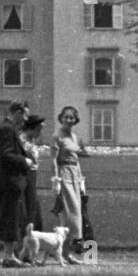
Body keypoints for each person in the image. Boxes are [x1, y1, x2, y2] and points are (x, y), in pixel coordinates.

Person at [0, 101, 34, 267]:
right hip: (8, 180)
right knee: (11, 217)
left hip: (8, 180)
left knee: (8, 216)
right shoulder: (6, 129)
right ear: (17, 112)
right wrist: (25, 160)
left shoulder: (7, 128)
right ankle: (9, 256)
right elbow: (6, 155)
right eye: (25, 115)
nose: (25, 119)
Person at [51, 106, 88, 265]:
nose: (68, 120)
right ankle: (76, 242)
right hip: (64, 173)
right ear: (61, 118)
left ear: (75, 120)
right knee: (72, 212)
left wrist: (81, 180)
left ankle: (66, 254)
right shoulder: (57, 136)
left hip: (74, 174)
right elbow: (53, 159)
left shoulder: (75, 137)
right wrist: (55, 180)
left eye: (71, 118)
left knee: (70, 215)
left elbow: (76, 159)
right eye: (66, 117)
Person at [19, 115, 46, 250]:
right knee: (27, 209)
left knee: (33, 209)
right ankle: (24, 247)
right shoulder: (22, 140)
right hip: (25, 176)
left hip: (32, 176)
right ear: (32, 127)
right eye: (39, 129)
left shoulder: (31, 140)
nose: (40, 132)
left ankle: (30, 247)